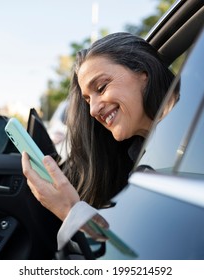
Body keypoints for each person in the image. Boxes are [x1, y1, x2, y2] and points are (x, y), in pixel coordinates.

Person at [22, 32, 176, 250]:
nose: (93, 109)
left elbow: (139, 254)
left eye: (101, 87)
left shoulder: (189, 145)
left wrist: (70, 210)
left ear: (144, 73)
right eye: (87, 100)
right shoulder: (142, 154)